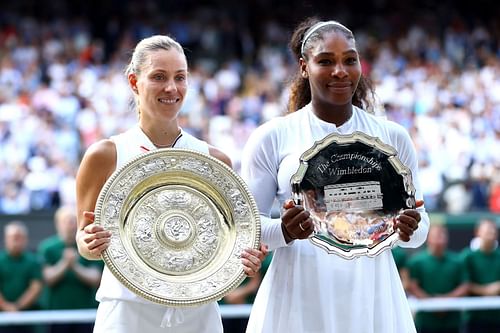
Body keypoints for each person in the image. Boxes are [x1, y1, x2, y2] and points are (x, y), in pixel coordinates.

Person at [240, 17, 429, 333]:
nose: (340, 70)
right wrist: (284, 231)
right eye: (326, 61)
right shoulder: (272, 136)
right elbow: (246, 230)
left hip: (373, 295)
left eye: (349, 60)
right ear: (304, 67)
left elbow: (420, 228)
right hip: (297, 295)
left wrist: (408, 230)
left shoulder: (393, 137)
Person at [75, 34, 265, 333]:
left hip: (198, 315)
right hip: (126, 314)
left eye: (180, 77)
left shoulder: (215, 161)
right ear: (134, 82)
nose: (171, 88)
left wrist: (245, 260)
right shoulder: (104, 155)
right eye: (158, 77)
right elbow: (84, 240)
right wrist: (88, 243)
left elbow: (231, 247)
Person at [38, 206, 103, 333]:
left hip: (85, 313)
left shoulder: (89, 245)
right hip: (56, 314)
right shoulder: (48, 248)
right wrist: (65, 263)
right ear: (58, 224)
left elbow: (95, 278)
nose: (70, 225)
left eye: (73, 221)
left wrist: (74, 266)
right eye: (66, 221)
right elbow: (47, 278)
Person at [407, 224, 469, 333]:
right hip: (426, 320)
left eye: (442, 235)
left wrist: (446, 301)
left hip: (452, 320)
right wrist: (432, 303)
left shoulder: (457, 261)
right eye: (436, 235)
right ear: (428, 238)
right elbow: (412, 286)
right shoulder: (417, 262)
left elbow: (464, 286)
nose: (439, 239)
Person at [0, 221, 42, 333]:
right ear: (6, 238)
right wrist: (7, 307)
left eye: (20, 237)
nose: (16, 241)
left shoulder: (33, 261)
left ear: (26, 239)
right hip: (2, 319)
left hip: (28, 318)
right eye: (13, 237)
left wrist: (17, 307)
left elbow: (35, 288)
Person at [462, 218, 500, 333]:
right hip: (474, 317)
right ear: (478, 232)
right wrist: (486, 290)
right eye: (488, 230)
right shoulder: (467, 256)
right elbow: (464, 283)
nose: (491, 233)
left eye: (493, 230)